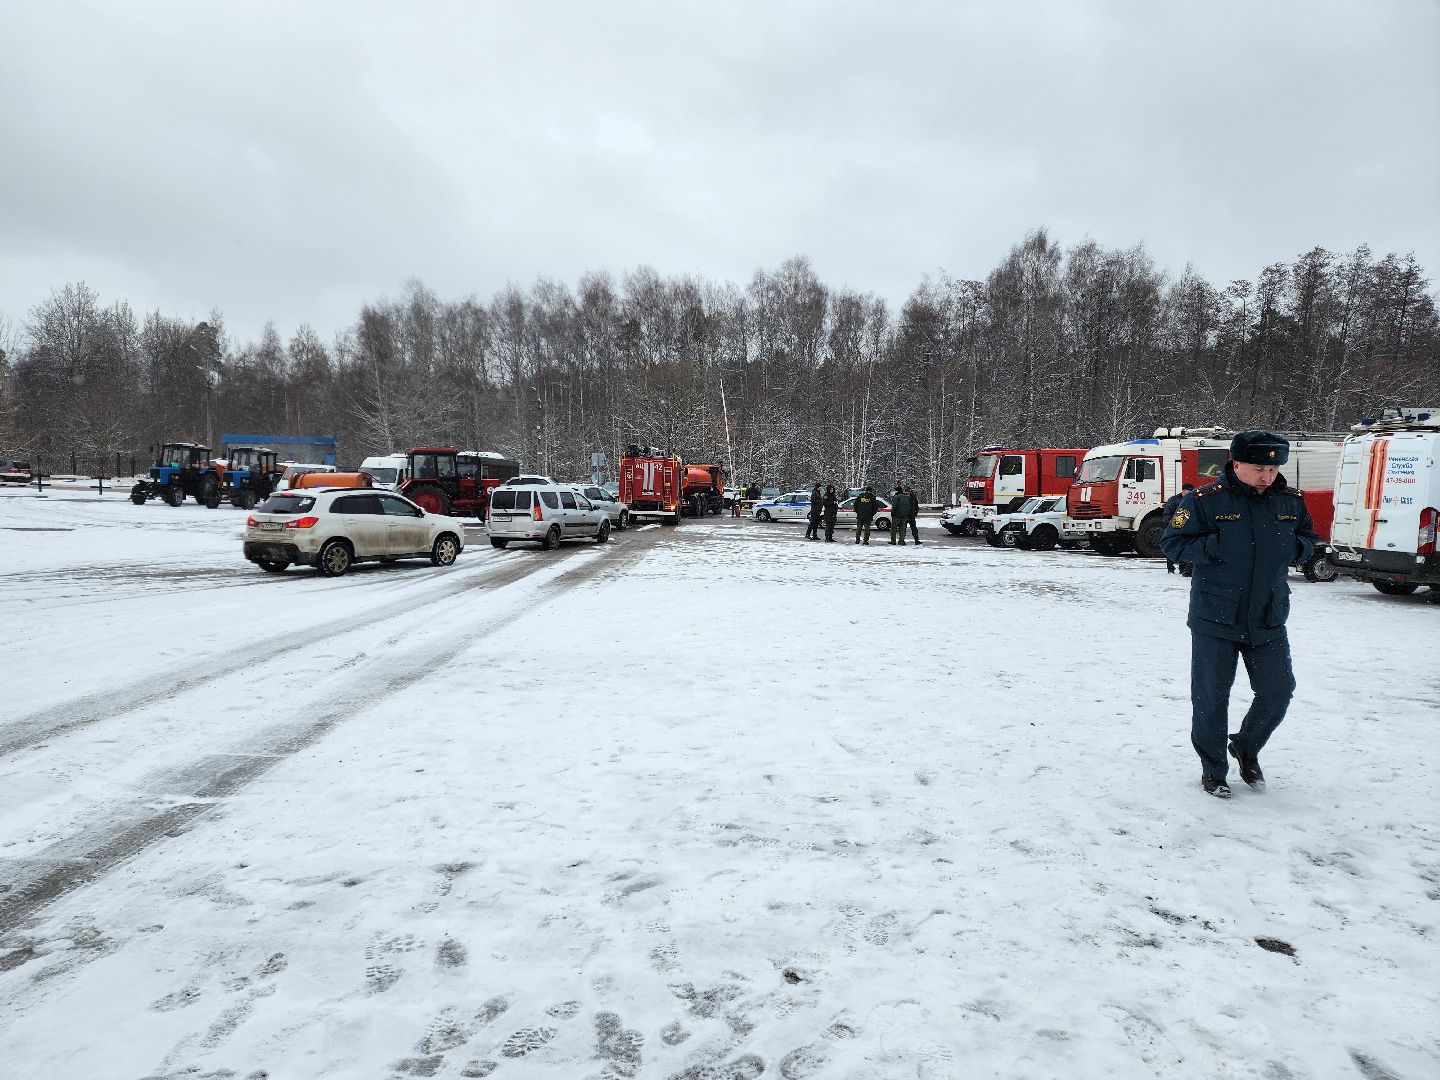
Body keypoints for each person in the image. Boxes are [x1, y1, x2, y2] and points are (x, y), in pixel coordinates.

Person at [1161, 431, 1318, 799]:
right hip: (1216, 616)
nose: (1267, 475)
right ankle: (1213, 769)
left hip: (1268, 615)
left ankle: (1246, 746)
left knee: (1278, 691)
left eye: (1273, 467)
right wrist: (1217, 544)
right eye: (1258, 467)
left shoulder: (1290, 501)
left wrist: (1296, 548)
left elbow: (1309, 539)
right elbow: (1173, 543)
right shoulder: (1205, 501)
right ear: (1236, 464)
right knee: (1212, 696)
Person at [1161, 483, 1196, 574]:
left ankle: (1183, 568)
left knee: (1184, 547)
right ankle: (1170, 567)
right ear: (1183, 491)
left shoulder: (1191, 499)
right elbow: (1167, 514)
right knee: (1171, 546)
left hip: (1186, 528)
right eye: (1189, 491)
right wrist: (1172, 525)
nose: (1190, 493)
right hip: (1174, 527)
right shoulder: (1174, 500)